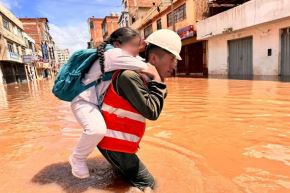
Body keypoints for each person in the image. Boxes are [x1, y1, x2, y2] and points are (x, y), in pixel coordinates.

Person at [97, 29, 182, 192]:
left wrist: (157, 81)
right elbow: (152, 112)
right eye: (172, 59)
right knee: (149, 185)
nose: (174, 65)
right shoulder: (129, 76)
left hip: (116, 144)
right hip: (114, 144)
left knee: (120, 180)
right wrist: (157, 80)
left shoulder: (141, 78)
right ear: (154, 58)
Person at [69, 27, 156, 179]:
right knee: (96, 130)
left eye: (139, 45)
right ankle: (77, 158)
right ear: (117, 44)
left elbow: (139, 61)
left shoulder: (116, 55)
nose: (137, 49)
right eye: (134, 45)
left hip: (95, 104)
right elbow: (147, 67)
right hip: (84, 102)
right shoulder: (113, 54)